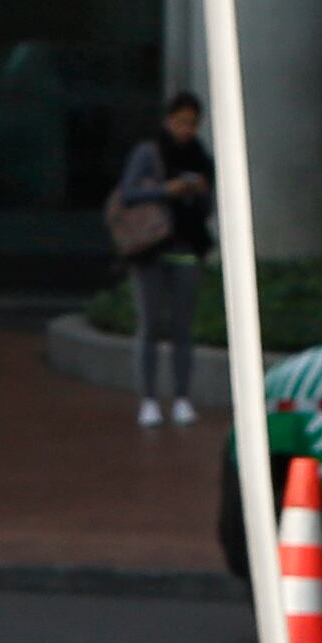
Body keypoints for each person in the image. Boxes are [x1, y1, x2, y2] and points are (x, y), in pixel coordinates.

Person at [111, 95, 215, 429]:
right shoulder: (149, 152)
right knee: (150, 324)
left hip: (186, 246)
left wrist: (196, 191)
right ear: (168, 119)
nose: (186, 129)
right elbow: (128, 193)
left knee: (182, 326)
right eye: (181, 121)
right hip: (150, 247)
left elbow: (209, 203)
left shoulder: (200, 156)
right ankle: (149, 399)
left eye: (192, 123)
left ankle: (182, 397)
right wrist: (166, 190)